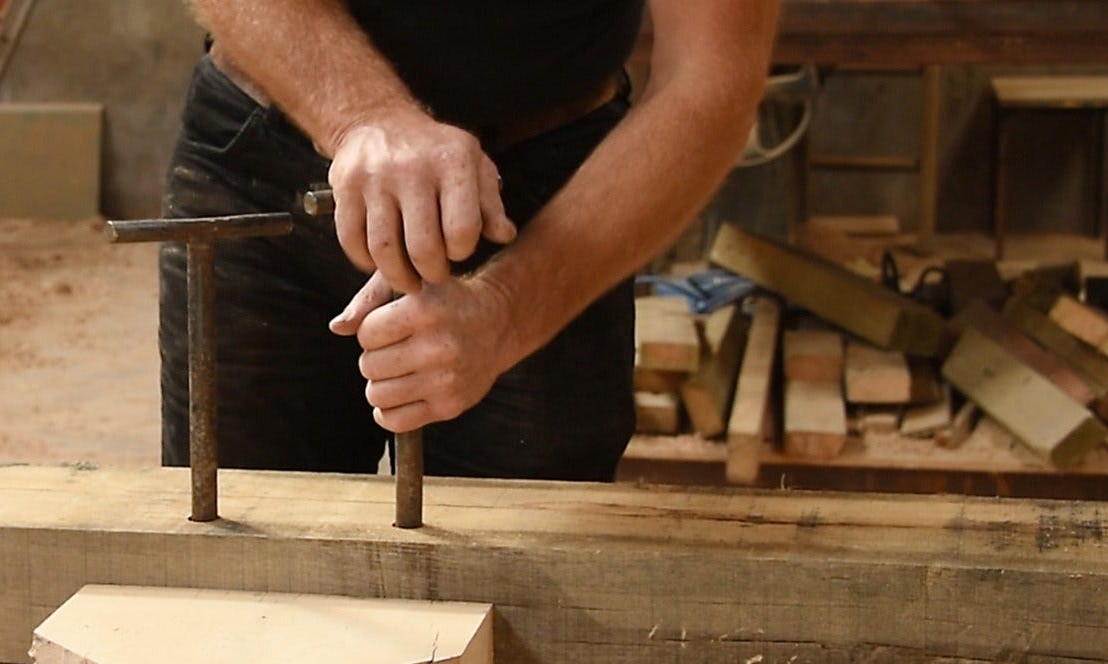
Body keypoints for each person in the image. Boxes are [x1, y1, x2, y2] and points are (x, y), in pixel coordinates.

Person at [159, 1, 781, 481]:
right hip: (268, 146)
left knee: (520, 600)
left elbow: (710, 75)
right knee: (238, 577)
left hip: (553, 191)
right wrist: (362, 113)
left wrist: (508, 313)